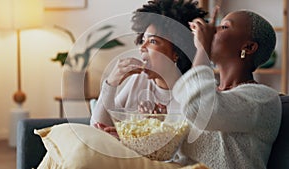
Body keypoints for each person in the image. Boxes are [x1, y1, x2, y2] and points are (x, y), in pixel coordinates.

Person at [172, 6, 282, 169]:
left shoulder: (263, 99)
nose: (213, 30)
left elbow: (200, 110)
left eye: (224, 27)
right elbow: (180, 156)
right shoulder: (211, 94)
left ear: (249, 47)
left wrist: (203, 48)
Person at [90, 0, 207, 130]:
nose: (142, 47)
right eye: (143, 40)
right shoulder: (139, 80)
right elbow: (97, 128)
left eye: (152, 41)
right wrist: (111, 83)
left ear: (177, 52)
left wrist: (155, 127)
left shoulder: (190, 92)